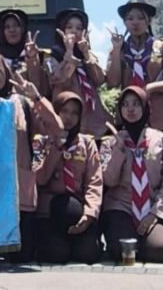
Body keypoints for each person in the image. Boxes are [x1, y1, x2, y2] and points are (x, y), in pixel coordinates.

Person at [0, 52, 58, 262]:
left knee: (22, 256)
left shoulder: (24, 103)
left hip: (19, 196)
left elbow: (57, 128)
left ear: (5, 70)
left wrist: (36, 97)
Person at [100, 86, 163, 264]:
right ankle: (136, 242)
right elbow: (109, 181)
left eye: (136, 104)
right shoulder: (111, 142)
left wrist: (155, 214)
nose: (130, 109)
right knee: (120, 250)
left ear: (145, 108)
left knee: (161, 250)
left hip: (153, 205)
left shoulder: (162, 140)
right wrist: (118, 151)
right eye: (125, 104)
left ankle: (153, 239)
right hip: (122, 206)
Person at [106, 0, 163, 150]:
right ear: (124, 22)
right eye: (130, 18)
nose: (135, 22)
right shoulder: (119, 51)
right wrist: (116, 50)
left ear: (149, 20)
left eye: (141, 18)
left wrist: (150, 88)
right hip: (131, 115)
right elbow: (113, 81)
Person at [35, 91, 103, 264]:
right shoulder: (42, 142)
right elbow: (40, 178)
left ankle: (80, 237)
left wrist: (89, 213)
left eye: (74, 113)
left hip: (78, 210)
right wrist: (56, 146)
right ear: (55, 113)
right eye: (64, 111)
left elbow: (94, 181)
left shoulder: (87, 143)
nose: (69, 117)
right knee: (57, 255)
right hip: (50, 212)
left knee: (88, 254)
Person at [50, 8, 111, 138]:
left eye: (79, 28)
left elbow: (99, 80)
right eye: (69, 27)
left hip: (94, 120)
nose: (74, 31)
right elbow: (60, 80)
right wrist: (69, 53)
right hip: (68, 118)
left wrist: (86, 54)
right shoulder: (53, 56)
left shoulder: (88, 56)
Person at [0, 9, 48, 96]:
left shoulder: (40, 56)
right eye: (7, 27)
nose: (12, 30)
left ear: (23, 29)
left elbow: (41, 86)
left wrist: (32, 59)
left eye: (16, 25)